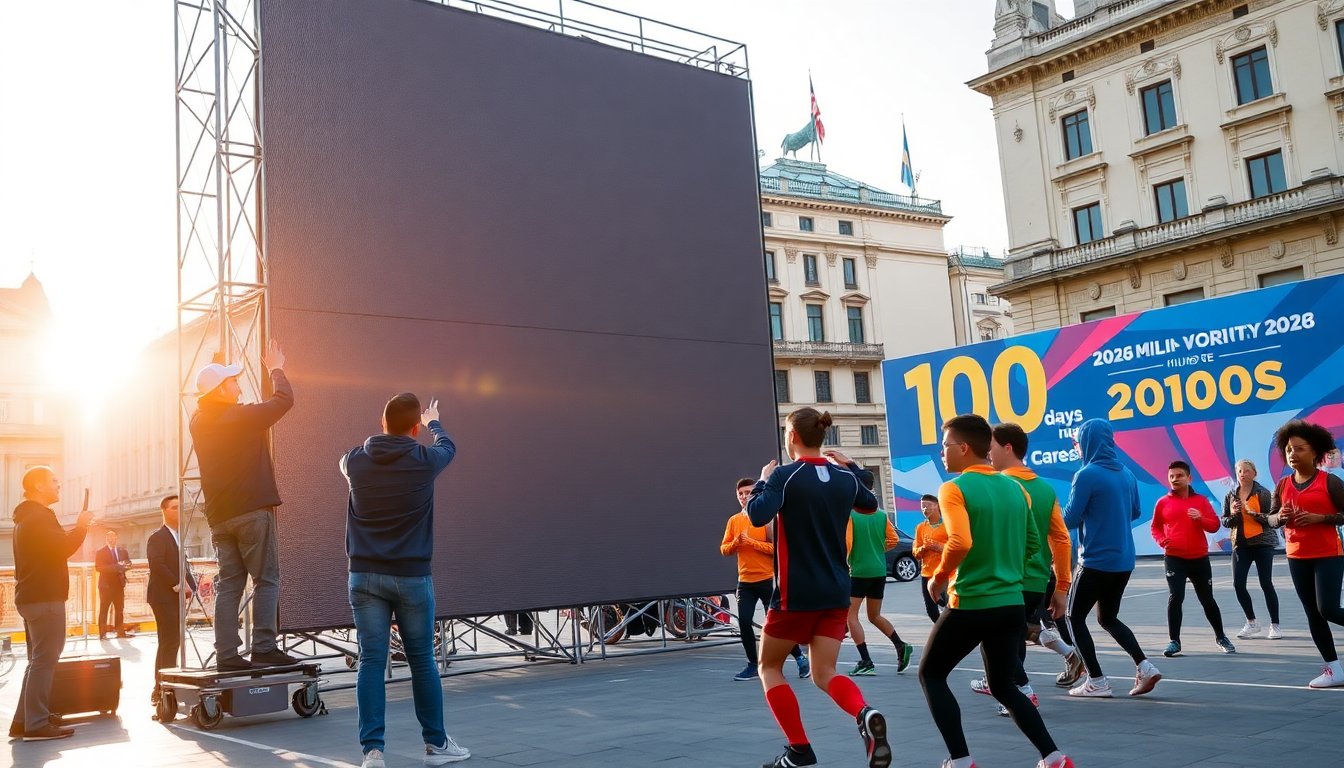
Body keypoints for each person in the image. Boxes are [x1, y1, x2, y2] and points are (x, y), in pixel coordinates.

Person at [918, 415, 1073, 768]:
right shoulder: (1014, 488)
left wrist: (939, 577)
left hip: (971, 602)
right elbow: (1035, 543)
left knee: (930, 674)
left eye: (944, 445)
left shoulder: (953, 488)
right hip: (1011, 603)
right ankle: (1053, 756)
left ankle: (960, 760)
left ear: (963, 447)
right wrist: (1005, 567)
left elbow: (959, 540)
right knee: (1004, 686)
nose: (941, 453)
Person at [746, 407, 890, 768]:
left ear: (792, 436)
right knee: (825, 673)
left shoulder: (784, 475)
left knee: (770, 668)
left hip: (796, 594)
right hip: (836, 592)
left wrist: (763, 481)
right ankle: (864, 712)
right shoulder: (844, 478)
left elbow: (757, 515)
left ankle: (799, 749)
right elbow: (870, 503)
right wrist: (853, 466)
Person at [341, 394, 470, 767]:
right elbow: (448, 446)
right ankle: (436, 746)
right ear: (414, 428)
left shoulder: (355, 461)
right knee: (422, 661)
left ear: (382, 423)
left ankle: (373, 753)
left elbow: (344, 463)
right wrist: (434, 422)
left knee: (370, 661)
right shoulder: (425, 460)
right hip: (412, 577)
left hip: (363, 576)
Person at [189, 339, 296, 671]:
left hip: (220, 517)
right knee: (267, 579)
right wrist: (276, 368)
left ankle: (227, 656)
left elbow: (217, 406)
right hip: (251, 511)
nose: (238, 385)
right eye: (232, 381)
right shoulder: (237, 417)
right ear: (220, 390)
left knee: (231, 582)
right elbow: (283, 401)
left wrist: (218, 365)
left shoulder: (198, 420)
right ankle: (264, 647)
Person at [974, 422, 1080, 716]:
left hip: (1003, 578)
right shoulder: (1045, 489)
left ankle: (1020, 690)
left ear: (1007, 448)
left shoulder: (998, 485)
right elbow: (1061, 539)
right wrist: (1061, 587)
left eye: (991, 446)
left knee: (999, 638)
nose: (987, 452)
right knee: (1013, 635)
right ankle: (1008, 686)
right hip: (1035, 580)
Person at [1062, 418, 1161, 698]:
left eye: (1077, 441)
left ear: (1088, 441)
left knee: (1073, 617)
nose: (1076, 447)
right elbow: (1135, 512)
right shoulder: (1127, 473)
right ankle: (1145, 665)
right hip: (1123, 560)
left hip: (1095, 560)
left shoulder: (1086, 474)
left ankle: (1097, 680)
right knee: (1108, 618)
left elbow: (1069, 518)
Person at [7, 466, 93, 741]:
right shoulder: (38, 517)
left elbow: (51, 548)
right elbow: (63, 548)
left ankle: (24, 721)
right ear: (38, 487)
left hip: (32, 597)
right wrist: (81, 527)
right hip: (45, 598)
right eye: (54, 481)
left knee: (36, 662)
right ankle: (37, 724)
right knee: (45, 662)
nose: (59, 485)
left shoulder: (26, 517)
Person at [1265, 420, 1344, 688]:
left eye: (1299, 449)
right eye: (1288, 449)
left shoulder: (1329, 482)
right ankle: (1334, 670)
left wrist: (1321, 518)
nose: (1292, 454)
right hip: (1297, 556)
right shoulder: (1283, 484)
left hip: (1328, 554)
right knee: (1313, 613)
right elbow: (1271, 519)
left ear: (1315, 452)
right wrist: (1280, 517)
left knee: (1328, 609)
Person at [721, 477, 808, 682]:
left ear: (756, 494)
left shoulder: (766, 519)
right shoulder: (734, 521)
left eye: (748, 493)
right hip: (745, 582)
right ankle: (752, 664)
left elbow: (775, 549)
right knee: (743, 622)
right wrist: (736, 543)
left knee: (777, 624)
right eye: (740, 494)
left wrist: (752, 543)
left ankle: (799, 657)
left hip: (768, 580)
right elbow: (724, 549)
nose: (744, 497)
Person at [1151, 460, 1235, 657]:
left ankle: (1221, 637)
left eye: (1179, 475)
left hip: (1199, 559)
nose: (1174, 479)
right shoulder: (1162, 502)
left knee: (1207, 599)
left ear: (1189, 478)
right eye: (1171, 476)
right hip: (1174, 559)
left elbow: (1214, 526)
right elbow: (1155, 527)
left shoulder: (1201, 501)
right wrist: (1162, 541)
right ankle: (1174, 641)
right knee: (1176, 597)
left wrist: (1201, 518)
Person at [844, 463, 912, 676]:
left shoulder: (851, 514)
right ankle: (900, 645)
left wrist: (846, 561)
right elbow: (892, 540)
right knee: (874, 615)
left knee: (850, 616)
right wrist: (875, 549)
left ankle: (866, 661)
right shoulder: (881, 514)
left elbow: (846, 544)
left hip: (859, 571)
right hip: (879, 570)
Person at [1221, 459, 1281, 639]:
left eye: (1247, 470)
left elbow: (1272, 519)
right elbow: (1225, 521)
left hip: (1262, 544)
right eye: (1239, 471)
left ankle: (1275, 625)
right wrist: (1233, 514)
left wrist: (1255, 515)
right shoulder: (1230, 495)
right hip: (1241, 545)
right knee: (1238, 584)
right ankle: (1251, 622)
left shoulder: (1263, 493)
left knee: (1266, 583)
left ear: (1254, 473)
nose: (1242, 474)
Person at [147, 494, 197, 707]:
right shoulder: (158, 537)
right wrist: (177, 583)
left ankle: (164, 687)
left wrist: (191, 586)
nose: (180, 511)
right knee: (169, 642)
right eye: (175, 507)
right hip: (163, 596)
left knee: (172, 642)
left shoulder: (179, 536)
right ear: (165, 511)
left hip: (175, 595)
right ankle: (161, 690)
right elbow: (157, 564)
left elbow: (183, 564)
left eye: (181, 507)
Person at [913, 494, 948, 623]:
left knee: (950, 606)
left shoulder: (947, 525)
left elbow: (957, 547)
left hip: (946, 573)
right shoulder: (920, 528)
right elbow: (916, 552)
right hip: (927, 573)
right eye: (922, 507)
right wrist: (923, 548)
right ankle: (943, 632)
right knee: (931, 610)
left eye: (928, 506)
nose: (925, 509)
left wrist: (940, 547)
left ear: (937, 506)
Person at [94, 529, 132, 639]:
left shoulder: (122, 551)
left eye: (113, 537)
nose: (111, 539)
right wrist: (117, 567)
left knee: (119, 609)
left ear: (116, 538)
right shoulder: (100, 552)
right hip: (106, 586)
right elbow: (98, 567)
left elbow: (128, 563)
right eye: (109, 537)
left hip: (119, 585)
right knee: (104, 609)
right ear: (106, 539)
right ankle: (102, 634)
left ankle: (120, 632)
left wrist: (124, 566)